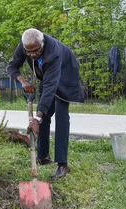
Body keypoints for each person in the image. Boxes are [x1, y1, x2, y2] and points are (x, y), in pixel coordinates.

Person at [7, 28, 84, 180]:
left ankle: (62, 165)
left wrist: (37, 117)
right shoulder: (25, 46)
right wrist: (23, 82)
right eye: (29, 52)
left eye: (36, 51)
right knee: (44, 117)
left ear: (42, 43)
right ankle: (43, 156)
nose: (32, 55)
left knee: (61, 118)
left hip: (66, 75)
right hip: (48, 77)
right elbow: (12, 67)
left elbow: (50, 87)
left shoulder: (53, 52)